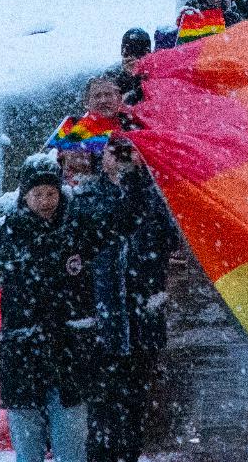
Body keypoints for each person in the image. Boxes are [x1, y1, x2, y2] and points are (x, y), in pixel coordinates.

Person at [0, 156, 95, 462]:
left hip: (68, 354)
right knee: (27, 450)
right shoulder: (5, 239)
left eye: (51, 193)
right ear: (24, 195)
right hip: (21, 355)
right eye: (38, 194)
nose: (45, 202)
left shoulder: (78, 232)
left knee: (71, 447)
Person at [72, 136, 180, 462]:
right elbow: (90, 237)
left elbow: (170, 239)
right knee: (101, 404)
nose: (118, 158)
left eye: (127, 151)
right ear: (100, 156)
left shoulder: (151, 194)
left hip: (141, 314)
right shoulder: (88, 195)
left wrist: (139, 182)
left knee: (134, 404)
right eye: (112, 151)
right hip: (102, 316)